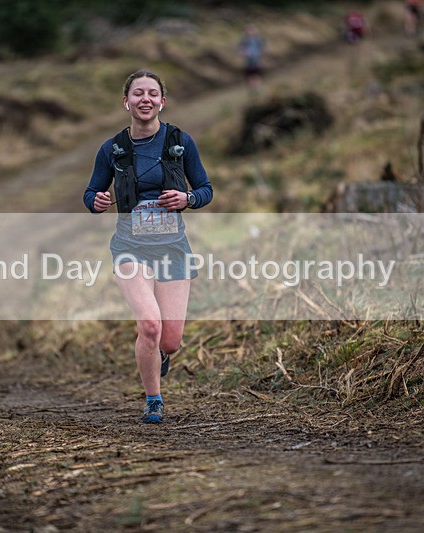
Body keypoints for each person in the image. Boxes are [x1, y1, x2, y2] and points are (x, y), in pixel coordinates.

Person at [83, 70, 213, 424]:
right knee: (150, 325)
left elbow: (205, 189)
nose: (145, 99)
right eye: (137, 93)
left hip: (173, 248)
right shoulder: (112, 149)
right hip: (130, 247)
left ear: (162, 102)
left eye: (152, 93)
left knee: (170, 341)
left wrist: (187, 198)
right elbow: (91, 193)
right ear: (126, 102)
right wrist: (96, 201)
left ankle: (158, 354)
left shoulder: (180, 142)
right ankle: (153, 399)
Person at [239, 24, 265, 92]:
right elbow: (241, 48)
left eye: (251, 30)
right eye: (248, 30)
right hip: (248, 61)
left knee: (256, 74)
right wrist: (244, 52)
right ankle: (251, 89)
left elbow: (262, 48)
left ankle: (257, 88)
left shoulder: (258, 39)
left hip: (256, 59)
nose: (249, 32)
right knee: (249, 75)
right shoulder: (244, 40)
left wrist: (261, 53)